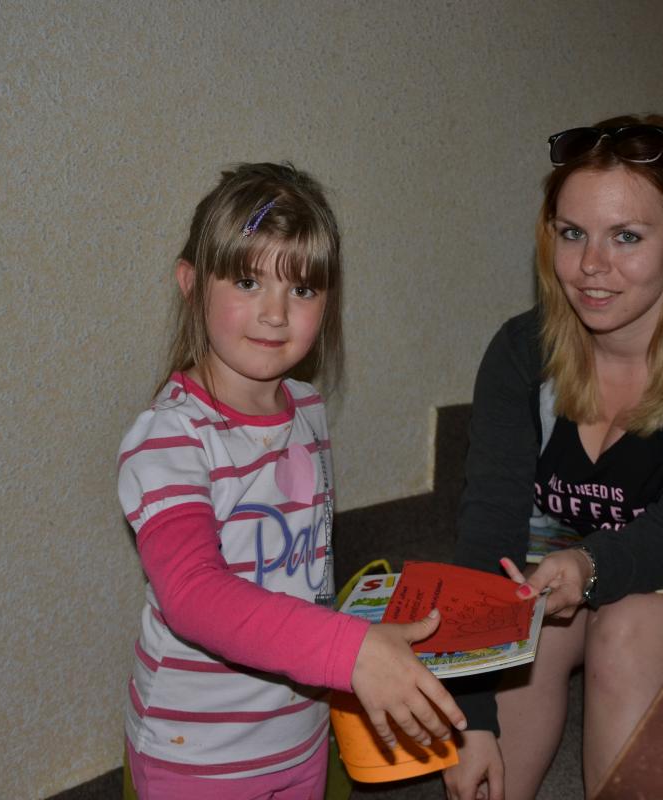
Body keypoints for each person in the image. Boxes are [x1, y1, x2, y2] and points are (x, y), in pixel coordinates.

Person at [442, 115, 663, 800]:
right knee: (524, 622)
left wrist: (589, 567)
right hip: (570, 541)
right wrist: (470, 716)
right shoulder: (520, 354)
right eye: (573, 233)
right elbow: (487, 534)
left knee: (625, 629)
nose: (591, 266)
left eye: (626, 236)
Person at [117, 162, 466, 799]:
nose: (275, 313)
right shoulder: (171, 437)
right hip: (199, 756)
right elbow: (192, 595)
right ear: (191, 285)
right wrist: (351, 652)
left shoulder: (306, 408)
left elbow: (303, 573)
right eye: (248, 281)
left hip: (299, 734)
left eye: (302, 289)